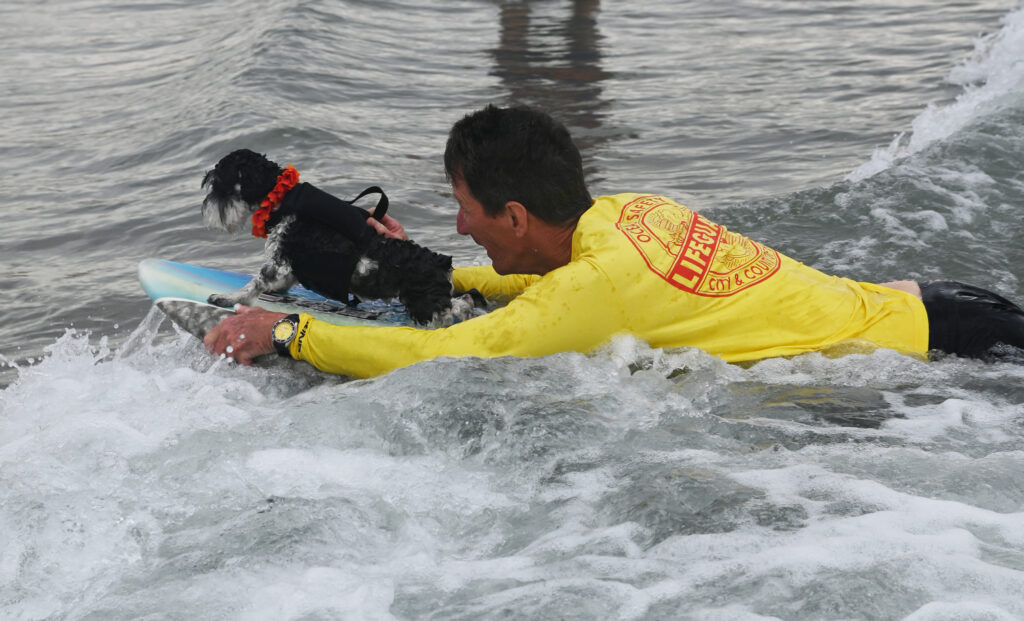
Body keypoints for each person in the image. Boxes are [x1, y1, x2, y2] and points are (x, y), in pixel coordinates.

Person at [204, 105, 1024, 376]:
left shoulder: (593, 290)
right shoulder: (630, 212)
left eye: (466, 209)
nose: (459, 224)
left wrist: (286, 332)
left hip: (941, 358)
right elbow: (545, 293)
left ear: (517, 217)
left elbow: (440, 359)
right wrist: (432, 270)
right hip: (934, 310)